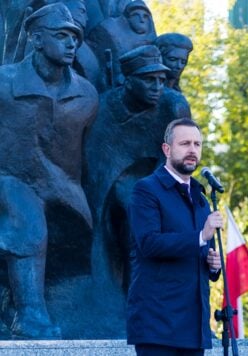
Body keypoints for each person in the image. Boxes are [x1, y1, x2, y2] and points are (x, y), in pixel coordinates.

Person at [0, 3, 97, 338]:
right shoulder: (4, 84)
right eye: (62, 36)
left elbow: (87, 155)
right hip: (7, 180)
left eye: (75, 37)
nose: (72, 44)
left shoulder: (87, 94)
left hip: (60, 187)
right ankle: (29, 316)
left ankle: (11, 299)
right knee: (26, 219)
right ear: (37, 39)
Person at [84, 44, 191, 291]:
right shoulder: (106, 107)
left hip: (159, 182)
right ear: (128, 81)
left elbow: (183, 153)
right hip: (117, 185)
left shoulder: (173, 105)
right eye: (148, 80)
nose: (157, 87)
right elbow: (98, 164)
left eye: (161, 80)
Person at [127, 118, 223, 355]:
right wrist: (200, 236)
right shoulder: (146, 190)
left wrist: (213, 266)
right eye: (185, 144)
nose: (192, 150)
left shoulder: (201, 198)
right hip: (158, 325)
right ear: (167, 149)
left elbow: (198, 251)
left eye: (197, 144)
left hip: (194, 327)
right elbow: (149, 243)